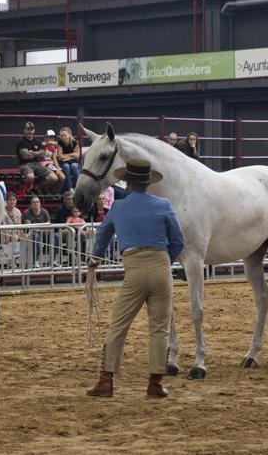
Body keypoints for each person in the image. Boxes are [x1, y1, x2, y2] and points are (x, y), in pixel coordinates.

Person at [87, 158, 184, 399]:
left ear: (128, 183)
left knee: (118, 326)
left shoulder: (118, 207)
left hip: (133, 266)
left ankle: (106, 380)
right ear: (148, 183)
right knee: (159, 328)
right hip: (161, 267)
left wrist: (95, 257)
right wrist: (164, 261)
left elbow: (103, 233)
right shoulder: (164, 205)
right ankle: (154, 384)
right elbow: (178, 241)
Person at [16, 121, 58, 193]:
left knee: (54, 178)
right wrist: (38, 153)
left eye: (31, 129)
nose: (30, 131)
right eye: (28, 129)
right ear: (24, 130)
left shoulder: (37, 141)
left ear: (34, 130)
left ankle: (36, 188)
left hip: (36, 163)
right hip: (24, 165)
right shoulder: (21, 141)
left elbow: (42, 153)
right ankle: (24, 191)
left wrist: (32, 152)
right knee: (30, 177)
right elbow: (26, 156)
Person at [57, 127, 81, 192]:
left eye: (65, 135)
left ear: (69, 135)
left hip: (74, 162)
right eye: (61, 136)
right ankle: (70, 188)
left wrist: (65, 156)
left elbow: (77, 156)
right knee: (66, 166)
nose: (63, 137)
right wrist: (71, 155)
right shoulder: (60, 143)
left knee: (73, 166)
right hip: (64, 163)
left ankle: (79, 186)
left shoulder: (75, 143)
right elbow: (59, 156)